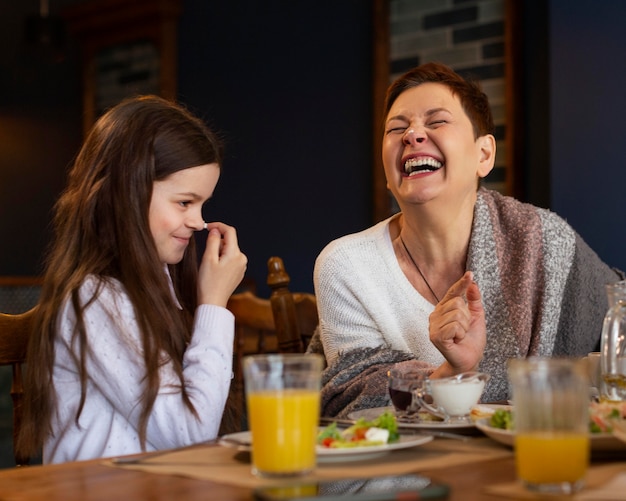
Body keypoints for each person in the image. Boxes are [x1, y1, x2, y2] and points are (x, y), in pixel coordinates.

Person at [310, 62, 624, 418]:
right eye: (396, 128)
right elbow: (349, 400)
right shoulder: (346, 264)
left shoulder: (542, 240)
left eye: (436, 121)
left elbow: (619, 313)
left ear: (484, 155)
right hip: (401, 472)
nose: (412, 135)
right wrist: (452, 372)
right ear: (387, 172)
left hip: (536, 459)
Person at [17, 95, 248, 463]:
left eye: (202, 205)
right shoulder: (96, 298)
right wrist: (214, 306)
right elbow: (189, 433)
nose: (199, 221)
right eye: (185, 202)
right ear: (127, 191)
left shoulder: (159, 283)